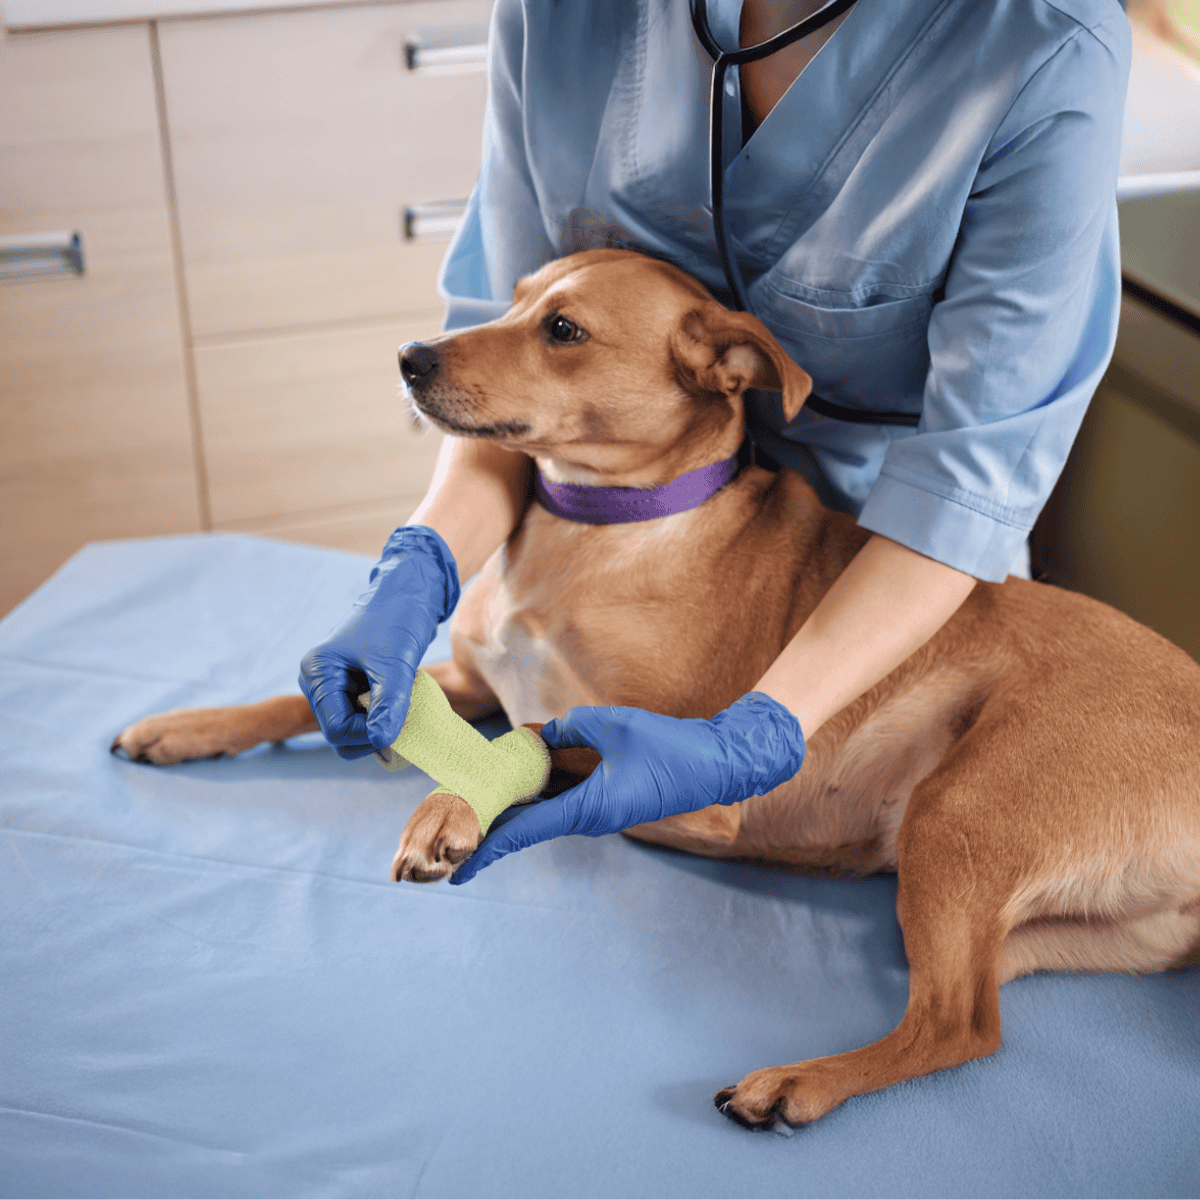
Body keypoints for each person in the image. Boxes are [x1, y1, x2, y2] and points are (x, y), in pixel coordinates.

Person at [300, 0, 1130, 882]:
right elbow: (494, 367)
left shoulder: (1043, 42)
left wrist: (759, 730)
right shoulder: (561, 16)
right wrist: (423, 564)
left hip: (879, 590)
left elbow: (967, 488)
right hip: (590, 515)